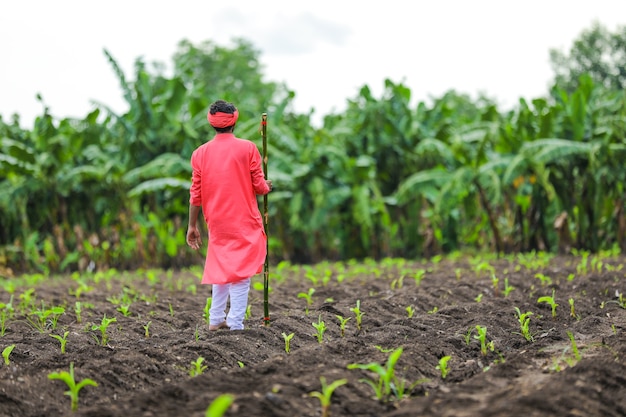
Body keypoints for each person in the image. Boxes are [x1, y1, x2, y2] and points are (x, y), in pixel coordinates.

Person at [186, 100, 272, 331]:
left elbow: (196, 193)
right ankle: (235, 323)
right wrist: (267, 186)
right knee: (241, 272)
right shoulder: (248, 148)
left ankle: (215, 320)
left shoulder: (200, 153)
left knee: (222, 267)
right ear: (234, 120)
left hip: (216, 220)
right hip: (243, 219)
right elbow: (259, 186)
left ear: (211, 122)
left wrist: (191, 225)